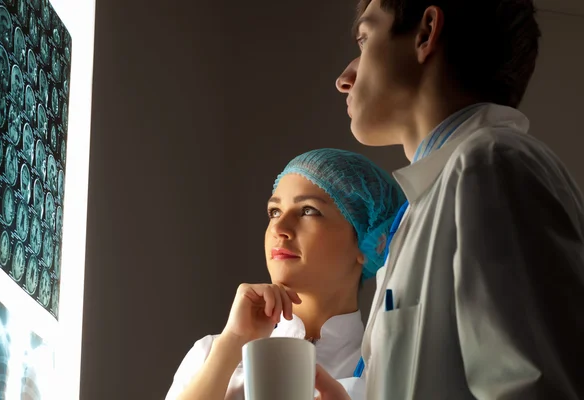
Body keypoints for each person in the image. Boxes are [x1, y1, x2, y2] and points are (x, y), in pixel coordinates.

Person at [313, 0, 584, 399]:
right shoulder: (426, 202)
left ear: (425, 33)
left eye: (365, 38)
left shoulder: (492, 164)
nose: (344, 78)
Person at [164, 148, 405, 400]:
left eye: (308, 210)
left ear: (369, 240)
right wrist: (232, 343)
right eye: (274, 212)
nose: (279, 228)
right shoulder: (211, 355)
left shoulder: (392, 372)